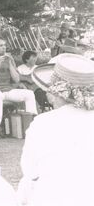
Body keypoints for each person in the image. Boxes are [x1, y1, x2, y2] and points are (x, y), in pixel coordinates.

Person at [18, 53, 94, 205]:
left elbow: (30, 170)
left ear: (56, 92)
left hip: (51, 198)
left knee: (26, 184)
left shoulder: (42, 123)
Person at [0, 34, 37, 139]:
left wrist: (10, 64)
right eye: (0, 45)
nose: (4, 47)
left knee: (29, 94)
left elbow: (16, 79)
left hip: (8, 90)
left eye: (4, 45)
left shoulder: (8, 59)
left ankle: (32, 126)